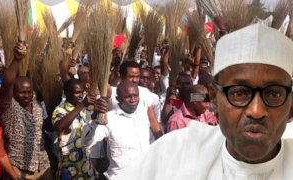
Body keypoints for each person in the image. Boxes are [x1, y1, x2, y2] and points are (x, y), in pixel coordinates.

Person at [114, 24, 293, 180]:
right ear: (214, 98)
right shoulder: (172, 155)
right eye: (239, 93)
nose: (256, 110)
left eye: (274, 94)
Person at [0, 43, 52, 179]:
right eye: (22, 92)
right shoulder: (10, 108)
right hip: (20, 170)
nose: (26, 95)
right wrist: (17, 60)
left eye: (29, 92)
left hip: (43, 167)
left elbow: (42, 130)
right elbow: (6, 85)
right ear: (14, 92)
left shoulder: (37, 106)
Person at [82, 80, 150, 180]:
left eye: (136, 96)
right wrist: (95, 117)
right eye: (128, 97)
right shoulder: (108, 119)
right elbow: (87, 142)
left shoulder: (143, 117)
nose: (133, 100)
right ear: (118, 99)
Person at [52, 79, 94, 179]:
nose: (81, 95)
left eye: (82, 92)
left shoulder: (81, 108)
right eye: (77, 92)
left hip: (85, 165)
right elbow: (59, 127)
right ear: (66, 93)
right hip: (69, 167)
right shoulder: (60, 110)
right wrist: (82, 104)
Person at [110, 61, 162, 140]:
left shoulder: (145, 93)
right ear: (121, 77)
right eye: (131, 76)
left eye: (137, 76)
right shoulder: (113, 92)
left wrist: (161, 141)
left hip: (143, 145)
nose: (135, 80)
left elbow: (153, 121)